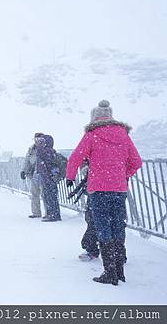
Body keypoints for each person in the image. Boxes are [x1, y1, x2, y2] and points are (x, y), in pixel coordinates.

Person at [66, 100, 141, 285]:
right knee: (117, 225)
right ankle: (119, 270)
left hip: (99, 189)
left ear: (95, 117)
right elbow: (136, 161)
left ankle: (109, 273)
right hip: (119, 189)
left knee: (103, 228)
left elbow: (75, 157)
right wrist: (123, 175)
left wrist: (70, 176)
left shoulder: (92, 135)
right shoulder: (123, 134)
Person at [34, 134, 61, 222]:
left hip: (48, 178)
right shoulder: (49, 151)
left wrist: (47, 176)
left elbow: (46, 166)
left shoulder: (46, 151)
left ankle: (53, 215)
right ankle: (53, 214)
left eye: (42, 141)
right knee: (49, 196)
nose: (40, 142)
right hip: (49, 177)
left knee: (50, 196)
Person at [20, 132, 46, 218]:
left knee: (44, 194)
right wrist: (23, 170)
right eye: (36, 139)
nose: (37, 141)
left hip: (43, 174)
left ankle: (48, 213)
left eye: (40, 139)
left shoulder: (46, 148)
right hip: (33, 174)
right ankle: (36, 213)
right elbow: (26, 160)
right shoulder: (31, 149)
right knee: (34, 194)